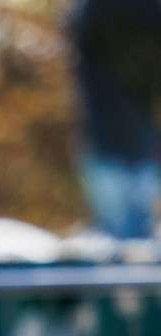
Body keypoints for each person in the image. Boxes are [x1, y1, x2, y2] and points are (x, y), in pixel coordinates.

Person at [69, 0, 161, 240]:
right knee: (130, 241)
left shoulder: (90, 14)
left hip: (120, 146)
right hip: (123, 146)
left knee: (126, 242)